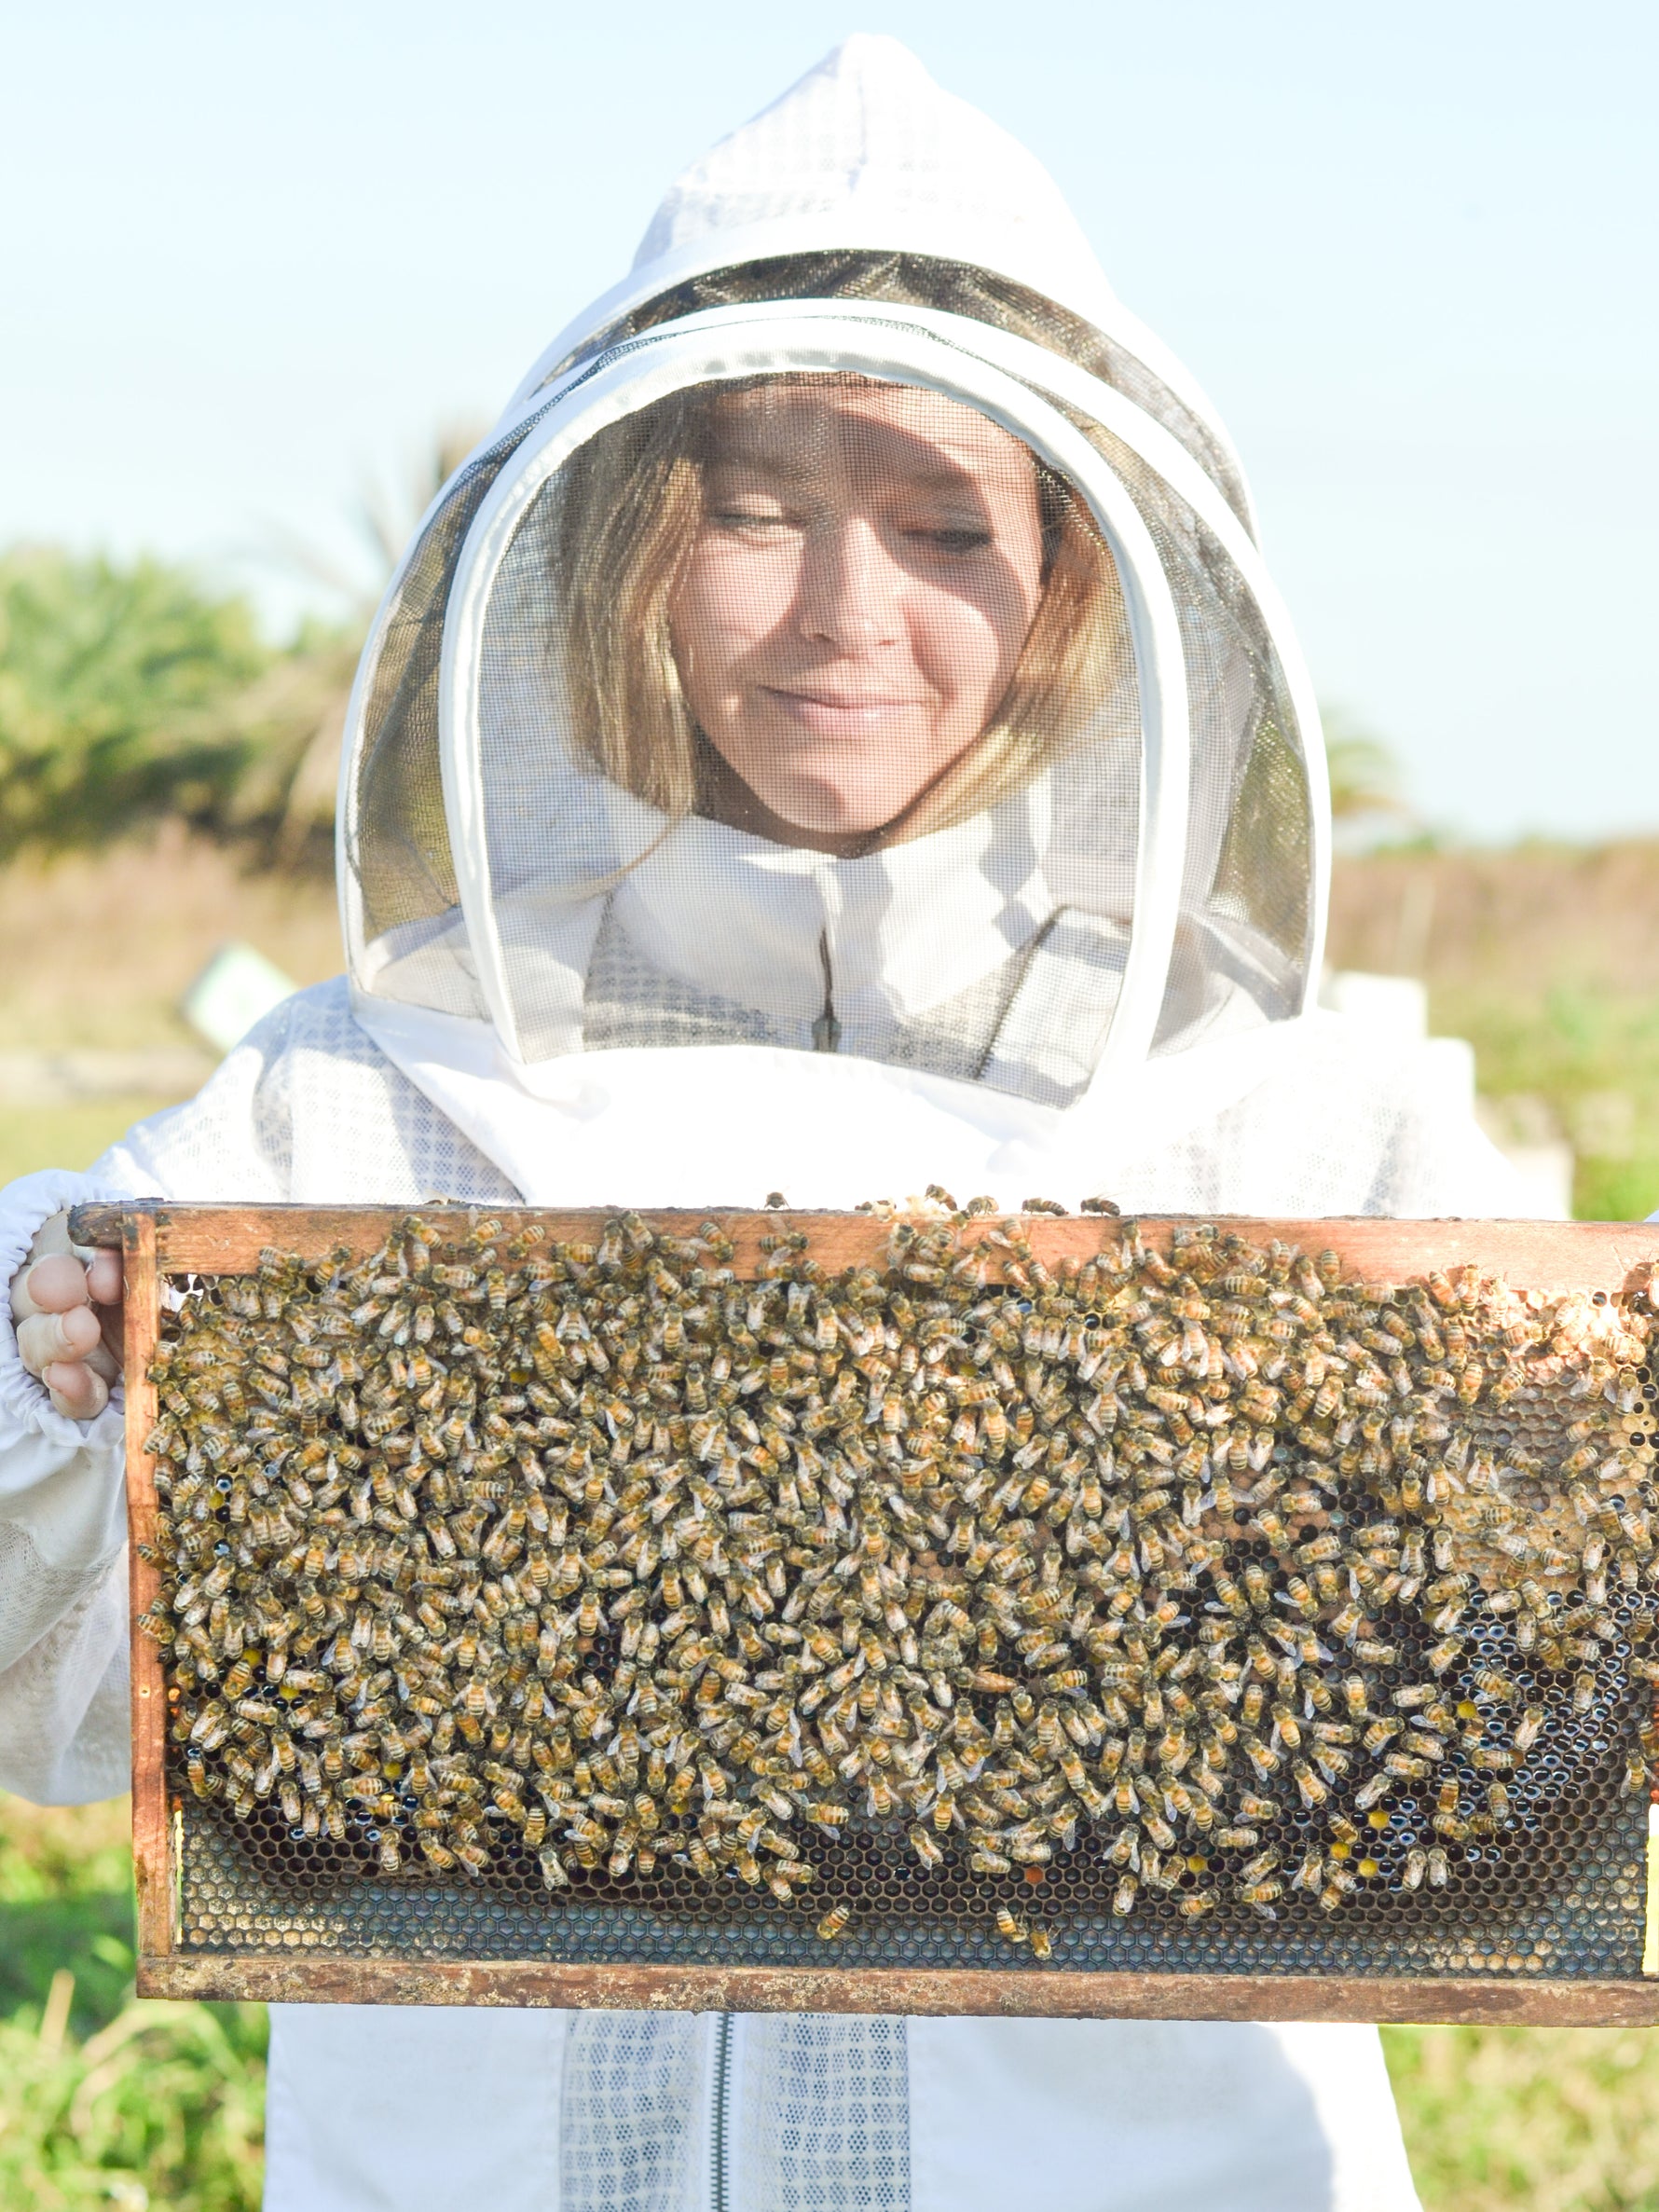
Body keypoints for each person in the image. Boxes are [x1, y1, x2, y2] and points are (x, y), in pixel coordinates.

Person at [2, 35, 1530, 2212]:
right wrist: (57, 1343)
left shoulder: (1292, 1115)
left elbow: (1533, 1713)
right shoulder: (360, 1094)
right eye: (755, 505)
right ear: (626, 535)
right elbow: (49, 1694)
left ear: (1075, 583)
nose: (842, 614)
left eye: (939, 524)